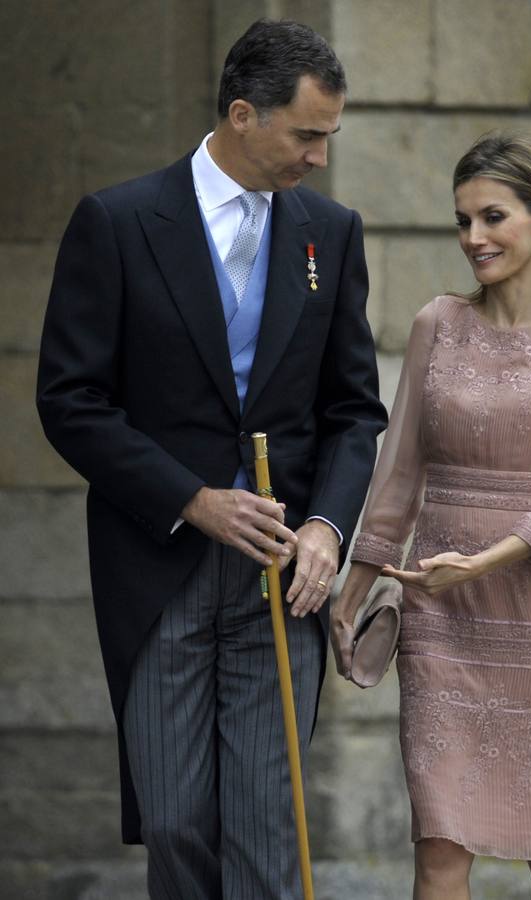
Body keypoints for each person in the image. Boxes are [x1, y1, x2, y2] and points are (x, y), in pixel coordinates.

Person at [37, 18, 387, 900]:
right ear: (242, 114)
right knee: (178, 822)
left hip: (281, 579)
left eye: (328, 138)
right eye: (307, 135)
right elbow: (70, 402)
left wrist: (325, 527)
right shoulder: (116, 223)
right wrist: (191, 499)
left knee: (270, 827)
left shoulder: (331, 234)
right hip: (161, 574)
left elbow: (352, 411)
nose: (318, 157)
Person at [332, 133, 531, 900]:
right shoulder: (438, 322)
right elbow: (397, 477)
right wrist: (353, 592)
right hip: (437, 619)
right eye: (461, 221)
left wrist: (479, 562)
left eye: (491, 217)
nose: (473, 239)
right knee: (439, 848)